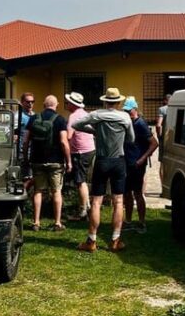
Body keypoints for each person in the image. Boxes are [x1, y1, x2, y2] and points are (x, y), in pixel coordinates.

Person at [72, 87, 134, 252]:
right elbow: (131, 138)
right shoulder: (125, 117)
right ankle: (115, 240)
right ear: (119, 102)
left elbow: (76, 124)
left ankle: (91, 241)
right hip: (118, 161)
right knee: (118, 201)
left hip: (102, 161)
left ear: (105, 101)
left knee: (97, 201)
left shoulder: (97, 114)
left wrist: (95, 131)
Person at [24, 95, 72, 231]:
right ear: (56, 105)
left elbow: (26, 140)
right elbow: (63, 141)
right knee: (56, 191)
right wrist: (68, 161)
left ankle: (36, 222)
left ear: (44, 105)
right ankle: (57, 222)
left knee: (38, 191)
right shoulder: (60, 119)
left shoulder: (33, 118)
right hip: (55, 161)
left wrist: (26, 157)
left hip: (37, 160)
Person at [122, 96, 158, 234]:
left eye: (129, 110)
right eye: (125, 110)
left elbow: (154, 143)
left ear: (135, 109)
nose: (127, 113)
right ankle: (129, 221)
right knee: (127, 193)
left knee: (137, 193)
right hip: (127, 162)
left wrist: (142, 159)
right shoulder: (128, 123)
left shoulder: (140, 124)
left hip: (137, 164)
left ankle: (142, 223)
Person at [64, 91, 95, 222]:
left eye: (68, 102)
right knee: (83, 179)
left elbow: (69, 136)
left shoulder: (73, 116)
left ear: (72, 104)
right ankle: (87, 205)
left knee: (80, 181)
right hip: (90, 149)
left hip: (80, 152)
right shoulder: (86, 114)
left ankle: (83, 211)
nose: (67, 104)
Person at [16, 92, 35, 185]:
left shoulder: (34, 115)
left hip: (33, 150)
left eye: (32, 101)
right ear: (22, 102)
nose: (30, 104)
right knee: (24, 176)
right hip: (21, 151)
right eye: (27, 102)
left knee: (32, 176)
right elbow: (11, 133)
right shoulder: (18, 116)